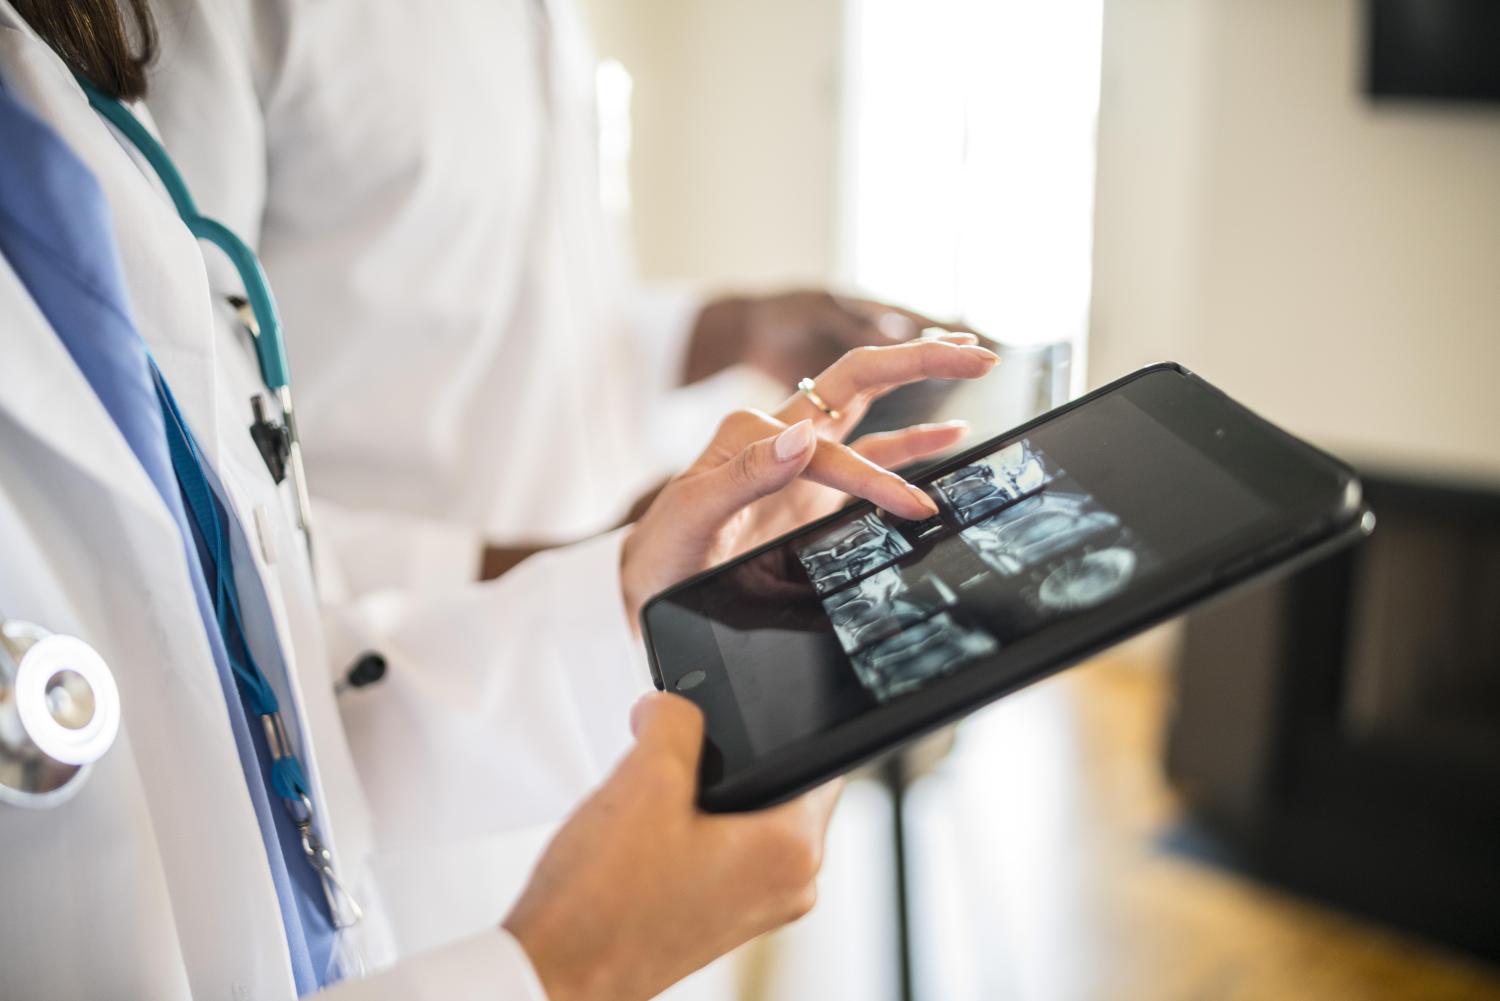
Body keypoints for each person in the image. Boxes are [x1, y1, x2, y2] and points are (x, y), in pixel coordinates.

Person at [0, 2, 999, 997]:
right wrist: (552, 969)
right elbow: (225, 506)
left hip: (496, 715)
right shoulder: (171, 37)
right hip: (428, 868)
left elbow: (531, 319)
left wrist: (642, 540)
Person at [139, 0, 975, 593]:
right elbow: (170, 456)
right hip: (390, 705)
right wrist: (562, 574)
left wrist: (735, 331)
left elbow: (524, 314)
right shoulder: (198, 20)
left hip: (604, 651)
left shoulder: (546, 18)